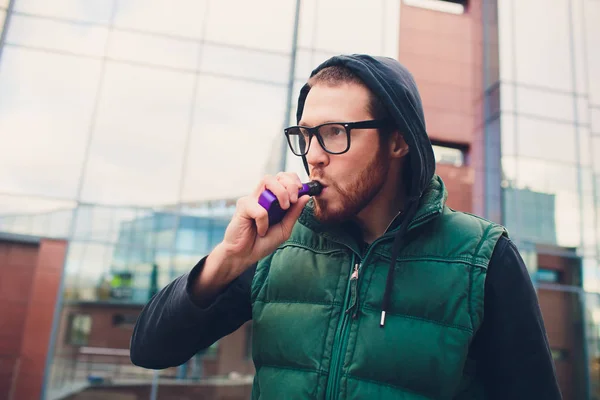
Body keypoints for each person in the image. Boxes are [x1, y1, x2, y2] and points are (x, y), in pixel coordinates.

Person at [130, 54, 562, 399]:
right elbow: (150, 351)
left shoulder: (481, 257)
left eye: (335, 132)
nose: (314, 155)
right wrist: (226, 261)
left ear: (398, 141)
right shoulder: (276, 247)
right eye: (306, 135)